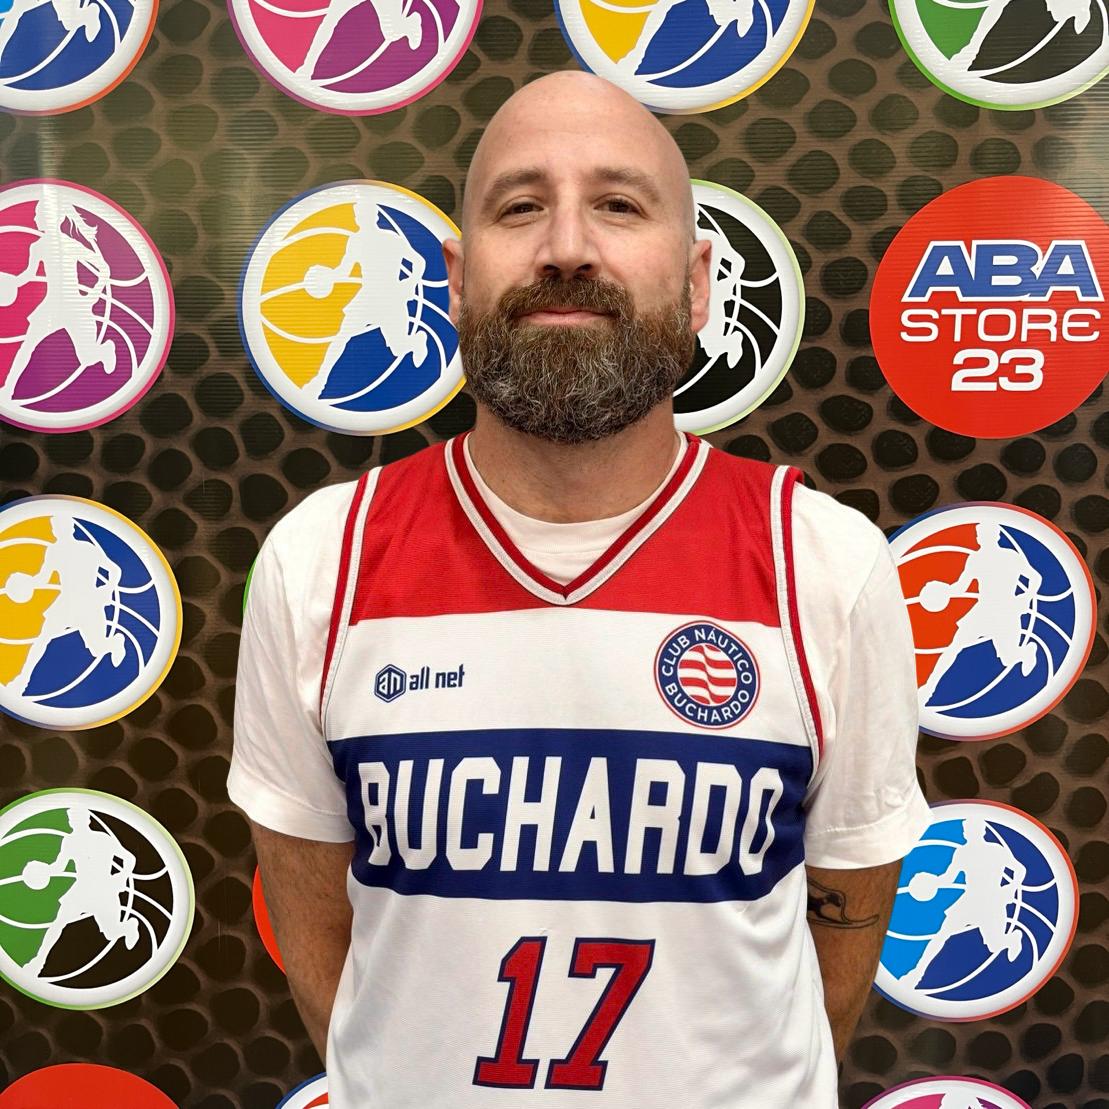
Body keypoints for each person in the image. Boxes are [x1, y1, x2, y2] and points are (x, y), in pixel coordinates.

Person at [228, 70, 931, 1107]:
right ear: (455, 281)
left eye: (618, 205)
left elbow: (836, 950)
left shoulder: (824, 563)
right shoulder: (320, 559)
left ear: (697, 283)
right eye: (520, 207)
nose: (566, 246)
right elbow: (320, 943)